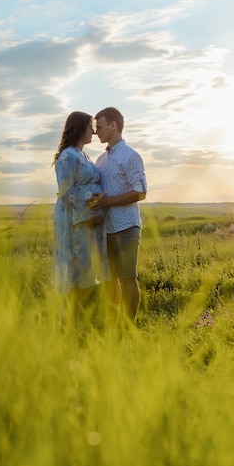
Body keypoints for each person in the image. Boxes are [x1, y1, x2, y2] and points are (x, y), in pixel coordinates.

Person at [90, 107, 147, 325]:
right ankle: (112, 326)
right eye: (95, 129)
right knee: (109, 280)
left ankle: (129, 326)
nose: (96, 133)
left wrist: (108, 202)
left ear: (113, 125)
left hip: (126, 227)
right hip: (105, 228)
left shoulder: (131, 156)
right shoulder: (100, 160)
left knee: (127, 278)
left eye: (100, 127)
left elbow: (140, 191)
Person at [52, 111, 109, 327]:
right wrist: (87, 216)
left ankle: (68, 323)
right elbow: (66, 193)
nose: (94, 131)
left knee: (84, 277)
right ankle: (65, 324)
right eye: (90, 127)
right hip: (73, 221)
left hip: (84, 222)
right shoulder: (67, 156)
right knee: (76, 278)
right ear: (78, 128)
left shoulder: (82, 155)